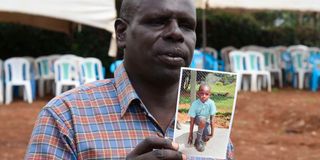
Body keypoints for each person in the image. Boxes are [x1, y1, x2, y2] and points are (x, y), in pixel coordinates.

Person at [25, 0, 233, 159]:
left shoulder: (213, 120)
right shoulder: (65, 118)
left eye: (187, 25)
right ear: (122, 32)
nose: (176, 33)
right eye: (158, 22)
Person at [188, 84, 216, 152]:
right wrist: (190, 134)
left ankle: (201, 133)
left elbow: (212, 120)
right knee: (202, 120)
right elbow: (192, 121)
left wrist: (212, 133)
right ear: (198, 93)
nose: (204, 96)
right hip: (197, 120)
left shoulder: (211, 103)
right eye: (202, 93)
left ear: (210, 95)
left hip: (205, 121)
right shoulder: (195, 104)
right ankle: (197, 141)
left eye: (206, 94)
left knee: (206, 138)